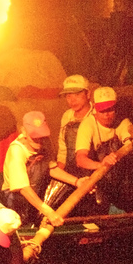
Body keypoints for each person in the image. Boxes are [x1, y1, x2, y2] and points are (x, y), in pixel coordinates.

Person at [73, 87, 133, 212]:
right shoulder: (88, 125)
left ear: (115, 107)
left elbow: (130, 143)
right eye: (102, 111)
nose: (106, 115)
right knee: (97, 207)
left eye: (110, 109)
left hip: (119, 181)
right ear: (95, 108)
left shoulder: (123, 122)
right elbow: (80, 159)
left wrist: (122, 151)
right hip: (95, 180)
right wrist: (101, 165)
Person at [42, 74, 94, 213]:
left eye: (77, 94)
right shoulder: (67, 116)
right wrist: (59, 173)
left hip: (91, 170)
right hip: (71, 169)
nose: (72, 100)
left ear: (88, 94)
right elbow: (63, 149)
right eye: (68, 96)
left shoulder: (96, 115)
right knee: (50, 201)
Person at [2, 111, 62, 228]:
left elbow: (51, 168)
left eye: (41, 136)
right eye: (35, 137)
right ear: (24, 131)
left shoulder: (45, 143)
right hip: (15, 197)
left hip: (35, 191)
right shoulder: (17, 150)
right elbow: (22, 188)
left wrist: (77, 182)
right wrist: (49, 212)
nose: (39, 140)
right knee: (22, 225)